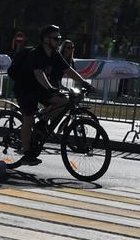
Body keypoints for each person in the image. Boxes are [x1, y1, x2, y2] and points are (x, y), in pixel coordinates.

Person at [10, 25, 91, 165]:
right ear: (46, 39)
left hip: (40, 88)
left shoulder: (54, 54)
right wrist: (50, 87)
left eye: (60, 38)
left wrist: (85, 83)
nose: (59, 41)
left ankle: (41, 124)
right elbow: (38, 73)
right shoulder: (36, 53)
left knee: (63, 102)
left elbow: (68, 70)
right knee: (28, 119)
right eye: (56, 38)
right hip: (25, 89)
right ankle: (27, 152)